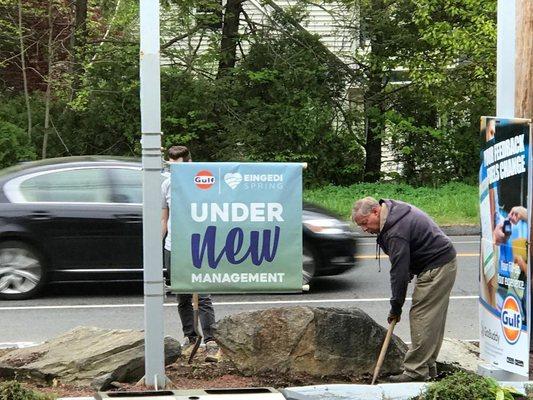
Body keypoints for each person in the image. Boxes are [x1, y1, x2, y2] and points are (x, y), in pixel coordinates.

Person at [352, 197, 457, 382]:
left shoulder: (395, 231)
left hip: (436, 266)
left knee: (422, 318)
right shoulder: (392, 210)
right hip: (440, 261)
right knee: (432, 319)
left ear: (376, 211)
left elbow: (398, 272)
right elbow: (408, 253)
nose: (364, 229)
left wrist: (396, 307)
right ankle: (428, 369)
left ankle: (415, 373)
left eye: (365, 223)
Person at [161, 145, 220, 363]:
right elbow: (163, 219)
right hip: (174, 246)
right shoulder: (166, 185)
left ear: (189, 162)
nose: (174, 170)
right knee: (183, 296)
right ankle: (190, 336)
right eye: (171, 165)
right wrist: (159, 246)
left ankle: (211, 341)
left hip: (198, 245)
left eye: (179, 165)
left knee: (203, 295)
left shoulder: (202, 182)